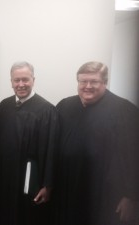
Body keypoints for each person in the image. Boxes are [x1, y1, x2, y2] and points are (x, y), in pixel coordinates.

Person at [54, 61, 139, 225]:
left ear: (105, 83)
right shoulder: (64, 106)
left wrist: (131, 197)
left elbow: (134, 158)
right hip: (69, 190)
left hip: (106, 196)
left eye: (94, 81)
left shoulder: (126, 111)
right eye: (83, 81)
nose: (87, 86)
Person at [0, 61, 59, 225]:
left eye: (25, 79)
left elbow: (51, 150)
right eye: (16, 80)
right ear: (11, 81)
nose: (21, 84)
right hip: (7, 176)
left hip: (32, 176)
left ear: (33, 80)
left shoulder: (46, 110)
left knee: (29, 217)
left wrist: (47, 185)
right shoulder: (4, 106)